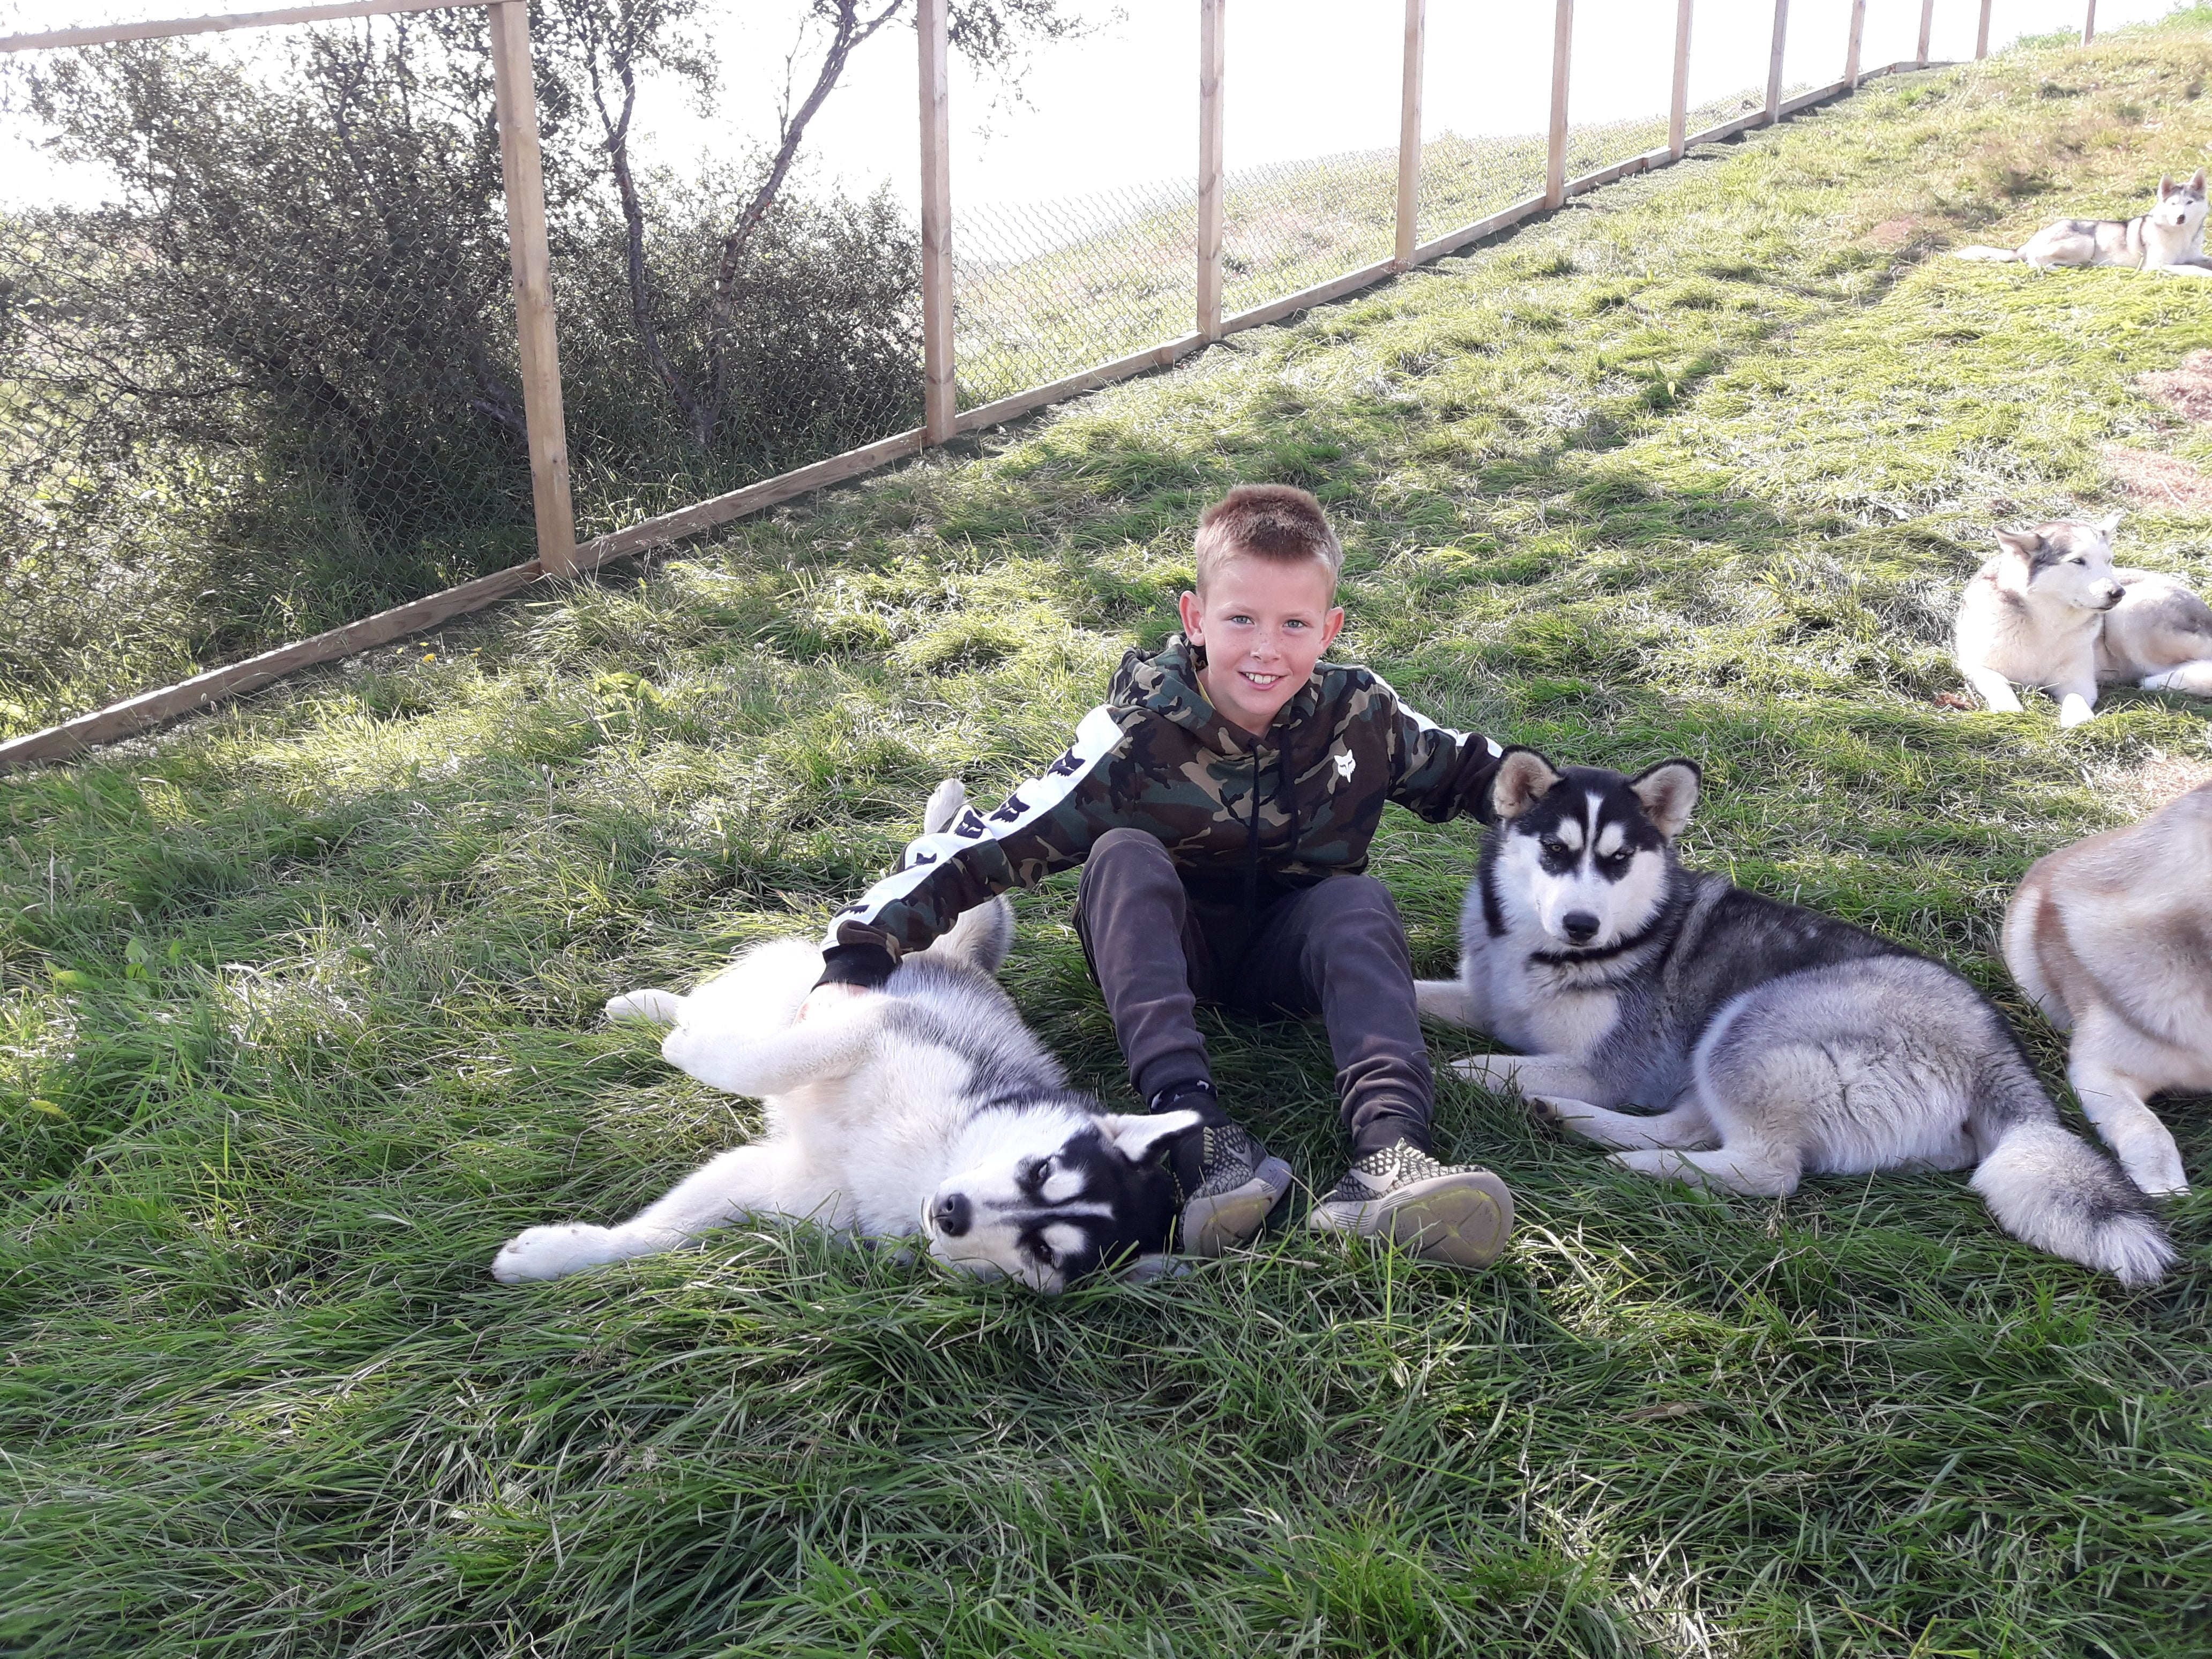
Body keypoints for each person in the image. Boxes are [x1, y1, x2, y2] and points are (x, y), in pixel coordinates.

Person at [805, 484, 1514, 1268]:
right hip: (1159, 954)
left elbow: (1485, 776)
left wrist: (1589, 812)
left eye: (1294, 625)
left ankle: (1392, 1158)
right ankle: (1197, 1134)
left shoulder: (1361, 715)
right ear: (1194, 618)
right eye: (1240, 618)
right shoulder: (1135, 736)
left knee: (1358, 900)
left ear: (1330, 629)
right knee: (1122, 856)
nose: (1265, 649)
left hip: (1291, 958)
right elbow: (994, 840)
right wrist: (859, 952)